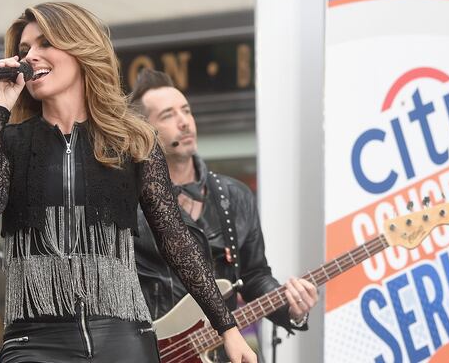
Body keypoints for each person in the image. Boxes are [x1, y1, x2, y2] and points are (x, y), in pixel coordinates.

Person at [0, 2, 256, 363]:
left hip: (121, 334)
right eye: (24, 51)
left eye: (44, 44)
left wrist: (226, 328)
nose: (31, 57)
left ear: (80, 47)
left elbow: (174, 238)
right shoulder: (11, 140)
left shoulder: (133, 141)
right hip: (33, 340)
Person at [129, 70, 318, 356]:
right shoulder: (131, 202)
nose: (184, 121)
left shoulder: (234, 195)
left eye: (187, 111)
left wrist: (291, 309)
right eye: (167, 115)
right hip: (155, 352)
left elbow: (254, 275)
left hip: (226, 353)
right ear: (145, 131)